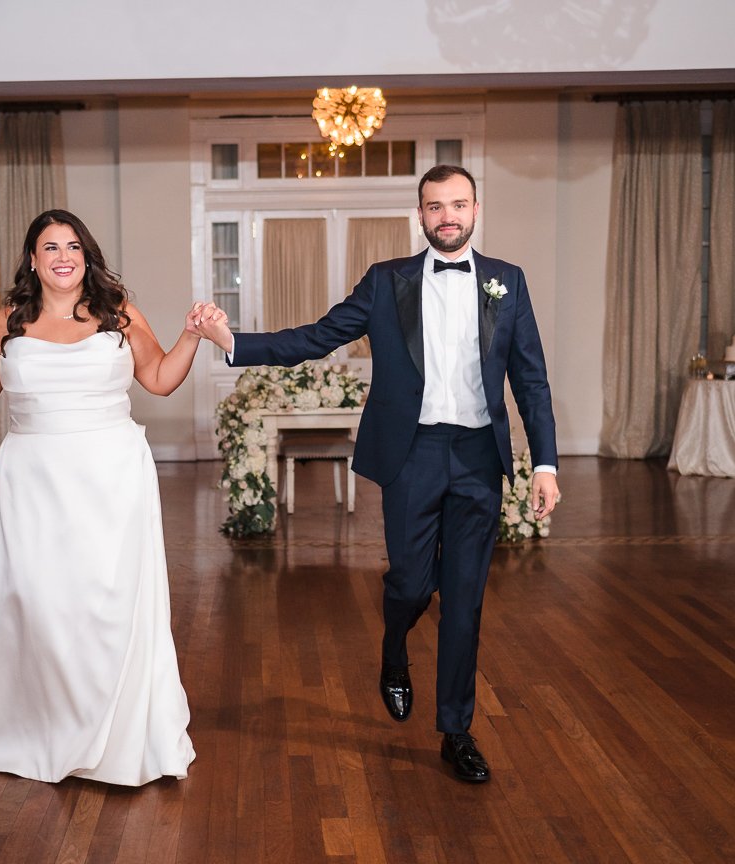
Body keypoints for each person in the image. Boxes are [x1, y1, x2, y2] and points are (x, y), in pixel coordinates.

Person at [194, 165, 559, 784]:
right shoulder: (388, 282)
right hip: (412, 453)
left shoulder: (508, 283)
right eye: (435, 206)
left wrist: (545, 463)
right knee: (412, 585)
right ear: (420, 215)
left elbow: (530, 378)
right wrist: (234, 342)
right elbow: (318, 337)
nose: (448, 216)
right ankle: (395, 651)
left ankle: (456, 730)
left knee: (465, 600)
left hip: (478, 459)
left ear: (475, 210)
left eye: (459, 204)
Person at [0, 209, 211, 785]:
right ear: (32, 260)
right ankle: (39, 722)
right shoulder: (8, 321)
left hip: (110, 480)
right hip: (31, 482)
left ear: (85, 256)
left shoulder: (119, 315)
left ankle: (110, 728)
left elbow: (160, 379)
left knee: (101, 605)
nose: (63, 256)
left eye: (73, 246)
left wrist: (191, 334)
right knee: (37, 603)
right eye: (50, 246)